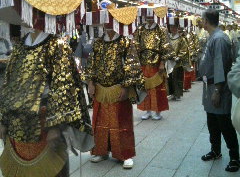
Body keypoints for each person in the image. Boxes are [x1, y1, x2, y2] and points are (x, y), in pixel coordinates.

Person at [0, 25, 92, 177]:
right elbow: (8, 85)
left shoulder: (58, 46)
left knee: (52, 171)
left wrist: (56, 126)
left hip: (45, 124)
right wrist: (3, 119)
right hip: (16, 126)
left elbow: (65, 88)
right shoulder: (19, 48)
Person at [83, 26, 145, 169]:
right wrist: (90, 83)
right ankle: (101, 151)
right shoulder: (98, 43)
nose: (108, 26)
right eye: (105, 22)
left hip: (118, 87)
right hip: (100, 88)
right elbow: (91, 64)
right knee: (100, 122)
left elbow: (132, 65)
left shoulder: (125, 42)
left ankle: (126, 154)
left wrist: (126, 86)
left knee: (121, 122)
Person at [199, 9, 239, 173]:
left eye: (202, 19)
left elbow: (221, 66)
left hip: (218, 87)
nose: (201, 22)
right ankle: (216, 150)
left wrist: (217, 90)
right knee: (212, 121)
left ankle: (235, 158)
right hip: (210, 85)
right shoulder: (212, 36)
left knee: (224, 123)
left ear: (206, 20)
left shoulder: (220, 38)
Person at [134, 15, 175, 120]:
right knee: (144, 87)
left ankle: (157, 111)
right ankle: (147, 110)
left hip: (156, 63)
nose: (149, 18)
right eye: (147, 15)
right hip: (143, 62)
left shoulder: (161, 29)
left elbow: (166, 46)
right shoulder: (140, 29)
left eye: (151, 15)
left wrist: (162, 62)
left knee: (157, 89)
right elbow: (136, 45)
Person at [168, 21, 189, 101]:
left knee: (177, 78)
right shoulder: (168, 38)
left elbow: (184, 50)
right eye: (171, 27)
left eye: (174, 27)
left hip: (177, 62)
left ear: (177, 28)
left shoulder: (181, 39)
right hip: (169, 61)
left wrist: (178, 57)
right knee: (170, 78)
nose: (172, 29)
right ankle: (172, 93)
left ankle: (178, 94)